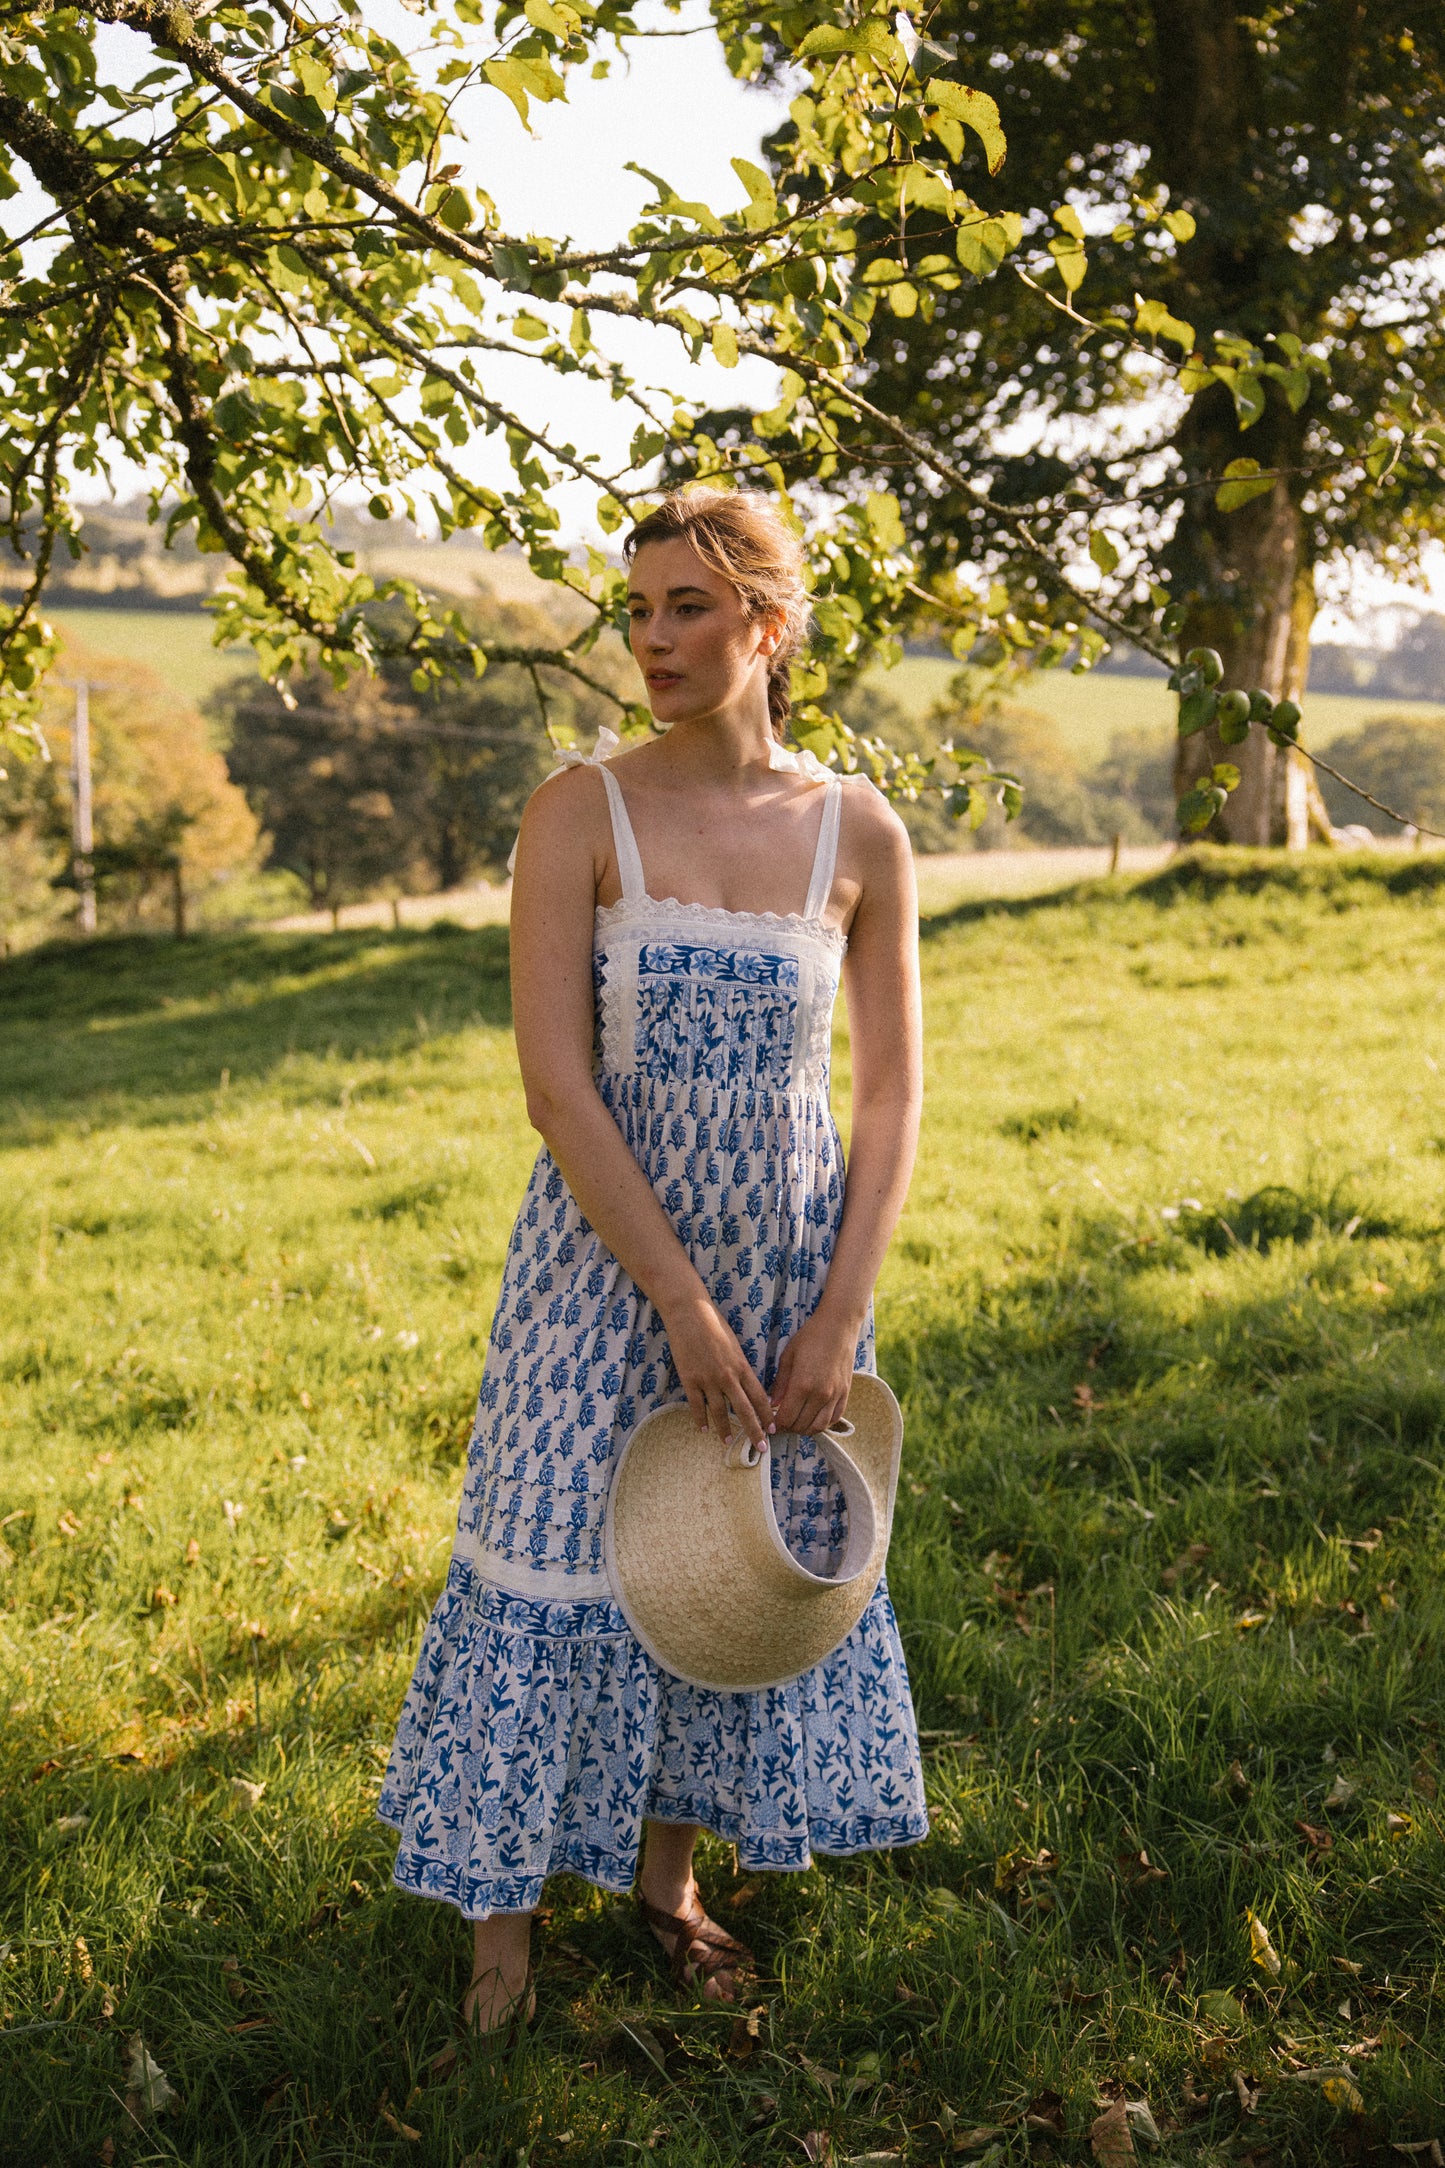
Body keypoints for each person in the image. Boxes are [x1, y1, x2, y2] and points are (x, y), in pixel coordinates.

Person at [378, 487, 927, 2034]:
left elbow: (887, 1093)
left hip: (791, 1261)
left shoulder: (857, 828)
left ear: (767, 623)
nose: (651, 640)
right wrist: (676, 1302)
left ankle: (664, 1881)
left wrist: (835, 1313)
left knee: (716, 1565)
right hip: (605, 1264)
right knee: (554, 1553)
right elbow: (557, 1087)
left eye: (687, 608)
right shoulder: (581, 810)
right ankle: (500, 1938)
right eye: (638, 610)